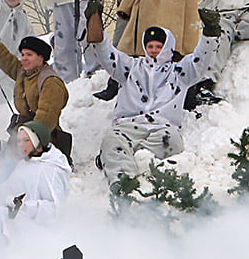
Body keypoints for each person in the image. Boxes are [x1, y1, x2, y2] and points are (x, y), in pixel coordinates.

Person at [88, 16, 221, 188]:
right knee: (111, 139)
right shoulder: (130, 67)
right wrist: (98, 35)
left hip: (162, 130)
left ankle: (123, 157)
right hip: (127, 127)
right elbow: (108, 55)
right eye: (150, 46)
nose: (154, 51)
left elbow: (201, 60)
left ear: (168, 48)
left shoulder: (179, 72)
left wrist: (210, 35)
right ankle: (123, 184)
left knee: (173, 142)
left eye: (159, 47)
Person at [0, 9, 71, 157]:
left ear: (41, 58)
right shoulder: (24, 72)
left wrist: (24, 146)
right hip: (24, 136)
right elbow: (3, 56)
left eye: (29, 55)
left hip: (43, 141)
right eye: (23, 55)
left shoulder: (50, 83)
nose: (24, 59)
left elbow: (44, 120)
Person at [0, 120, 71, 248]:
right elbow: (7, 189)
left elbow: (54, 210)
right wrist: (9, 199)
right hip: (19, 220)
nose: (21, 145)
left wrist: (26, 207)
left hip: (39, 230)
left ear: (37, 142)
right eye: (19, 141)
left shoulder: (50, 170)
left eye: (26, 140)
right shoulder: (24, 164)